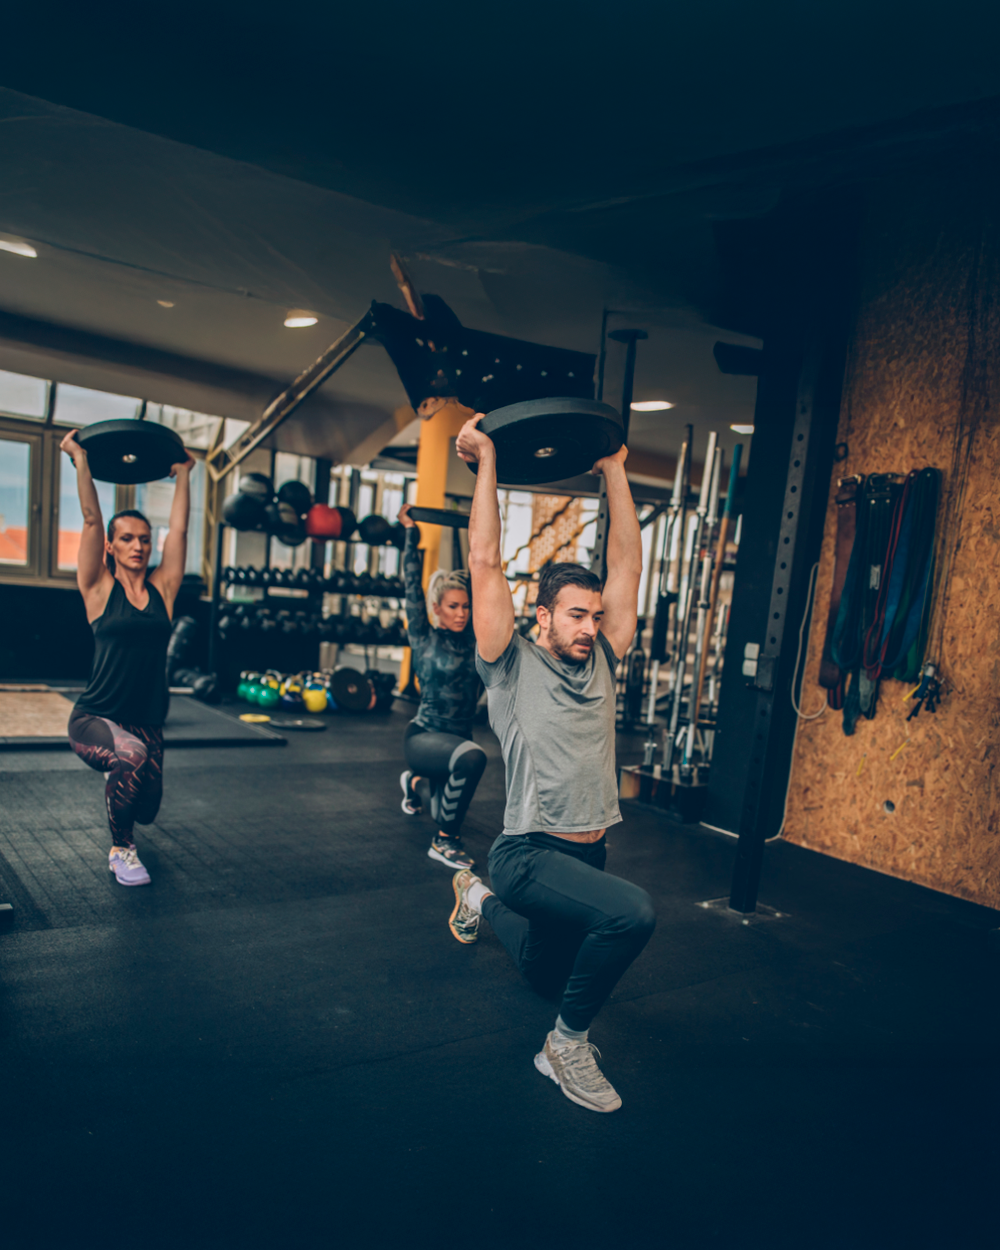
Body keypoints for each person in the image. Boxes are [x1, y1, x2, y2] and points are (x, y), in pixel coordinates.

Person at [447, 413, 655, 1114]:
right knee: (630, 916)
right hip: (529, 852)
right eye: (575, 616)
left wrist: (616, 469)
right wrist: (488, 465)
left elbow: (627, 564)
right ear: (542, 616)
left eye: (594, 615)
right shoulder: (509, 663)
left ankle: (475, 897)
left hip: (585, 856)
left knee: (543, 972)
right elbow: (483, 564)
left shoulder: (603, 658)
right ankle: (563, 1047)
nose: (588, 627)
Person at [60, 428, 194, 887]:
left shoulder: (163, 591)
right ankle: (121, 851)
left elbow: (179, 530)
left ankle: (122, 773)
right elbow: (92, 521)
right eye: (128, 539)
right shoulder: (98, 589)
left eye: (144, 539)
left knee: (149, 807)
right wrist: (80, 460)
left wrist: (184, 476)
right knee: (131, 757)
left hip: (147, 719)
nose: (139, 545)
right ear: (112, 548)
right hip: (96, 716)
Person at [397, 503, 487, 870]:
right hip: (424, 737)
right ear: (437, 608)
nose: (462, 612)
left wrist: (484, 535)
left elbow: (488, 580)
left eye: (466, 606)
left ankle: (414, 784)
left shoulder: (478, 643)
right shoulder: (422, 635)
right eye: (453, 606)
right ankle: (444, 841)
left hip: (453, 742)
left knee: (440, 805)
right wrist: (409, 533)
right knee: (473, 757)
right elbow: (410, 587)